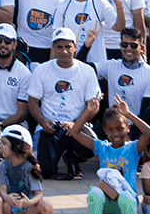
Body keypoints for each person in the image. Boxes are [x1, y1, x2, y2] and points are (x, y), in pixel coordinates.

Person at [24, 28, 100, 178]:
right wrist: (43, 122)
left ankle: (72, 158)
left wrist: (76, 124)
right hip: (50, 127)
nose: (64, 51)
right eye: (59, 47)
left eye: (68, 46)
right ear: (53, 48)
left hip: (77, 126)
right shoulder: (41, 70)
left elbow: (93, 106)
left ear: (75, 47)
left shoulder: (87, 71)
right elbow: (32, 102)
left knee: (95, 147)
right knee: (44, 172)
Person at [81, 106, 146, 214]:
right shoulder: (101, 147)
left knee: (127, 196)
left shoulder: (133, 148)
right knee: (94, 193)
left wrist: (128, 114)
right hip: (105, 205)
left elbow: (148, 133)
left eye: (120, 128)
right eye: (110, 129)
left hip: (126, 204)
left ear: (128, 127)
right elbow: (75, 132)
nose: (115, 133)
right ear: (105, 130)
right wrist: (88, 112)